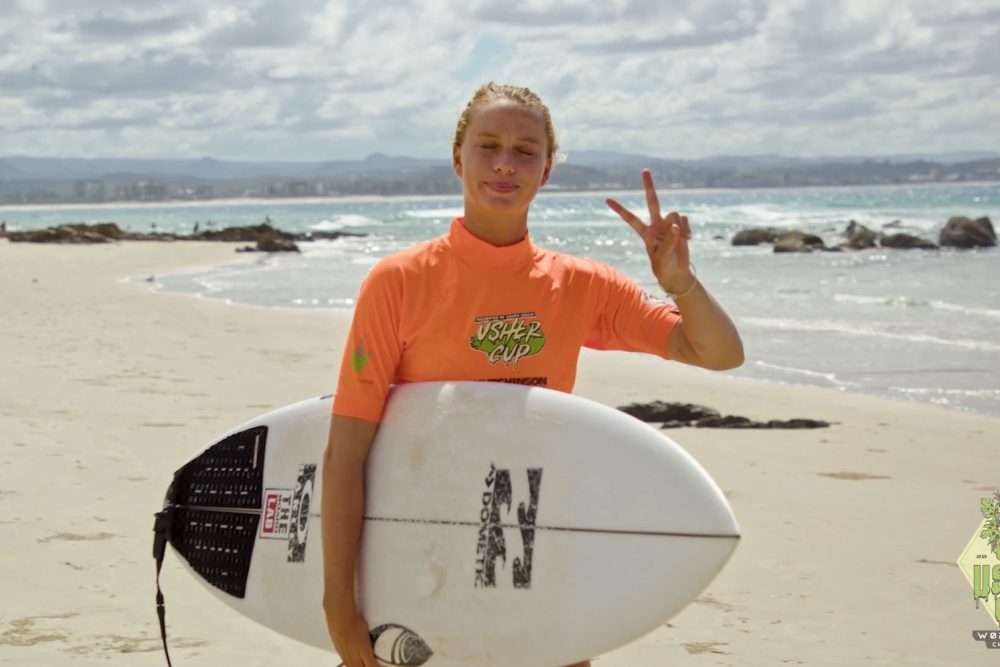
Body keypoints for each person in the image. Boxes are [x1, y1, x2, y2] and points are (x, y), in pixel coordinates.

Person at [321, 82, 744, 667]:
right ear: (457, 157)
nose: (504, 163)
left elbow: (717, 352)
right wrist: (338, 606)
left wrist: (680, 284)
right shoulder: (398, 283)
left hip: (534, 558)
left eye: (526, 150)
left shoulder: (581, 286)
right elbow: (346, 452)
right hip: (419, 564)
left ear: (546, 170)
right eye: (488, 144)